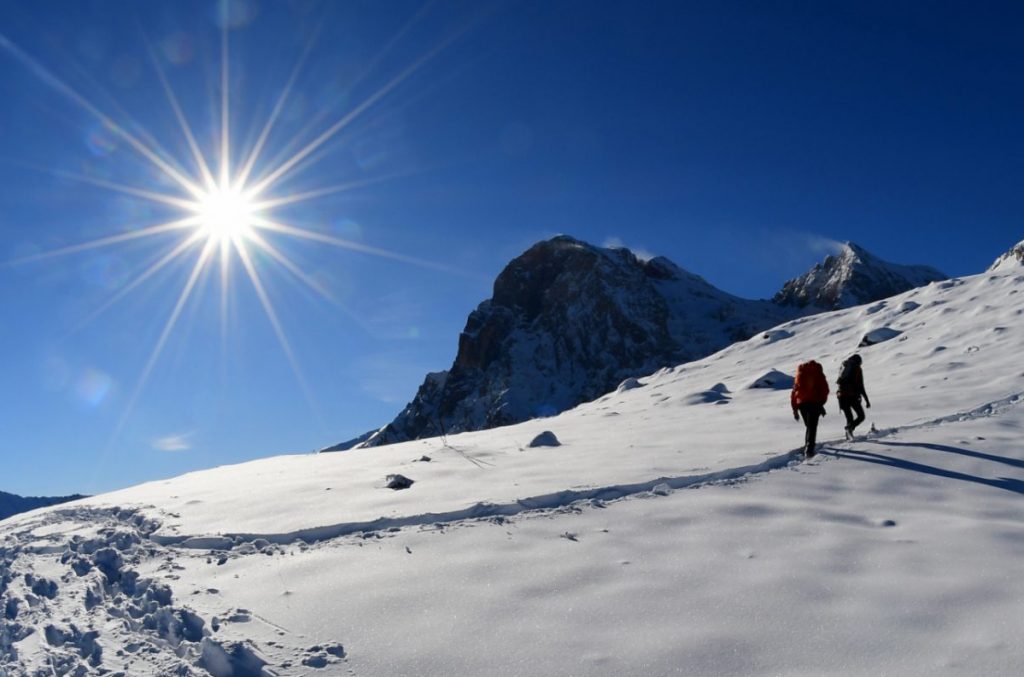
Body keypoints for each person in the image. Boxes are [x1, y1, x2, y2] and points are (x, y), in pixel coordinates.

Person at [791, 360, 829, 458]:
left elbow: (794, 392)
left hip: (801, 404)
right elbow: (825, 390)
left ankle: (808, 446)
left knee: (809, 426)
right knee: (812, 426)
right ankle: (809, 449)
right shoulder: (818, 373)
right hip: (814, 402)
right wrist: (821, 404)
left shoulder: (800, 373)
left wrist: (795, 409)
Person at [837, 354, 871, 439]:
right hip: (851, 396)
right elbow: (861, 386)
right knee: (861, 416)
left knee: (849, 417)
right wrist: (867, 400)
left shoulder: (844, 366)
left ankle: (849, 436)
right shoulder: (857, 368)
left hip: (841, 396)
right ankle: (849, 429)